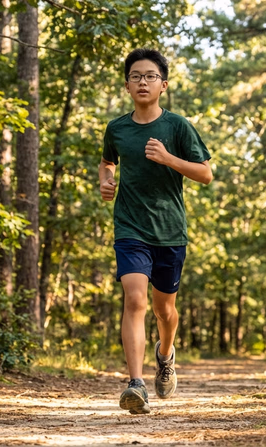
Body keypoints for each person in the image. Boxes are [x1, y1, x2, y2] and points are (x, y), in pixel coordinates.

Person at [98, 48, 213, 415]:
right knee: (135, 299)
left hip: (170, 231)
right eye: (136, 76)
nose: (142, 81)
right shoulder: (117, 128)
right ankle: (135, 384)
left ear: (163, 84)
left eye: (149, 76)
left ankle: (165, 355)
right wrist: (106, 180)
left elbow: (206, 174)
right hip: (130, 226)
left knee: (166, 311)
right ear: (127, 84)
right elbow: (106, 161)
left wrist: (169, 159)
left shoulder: (178, 127)